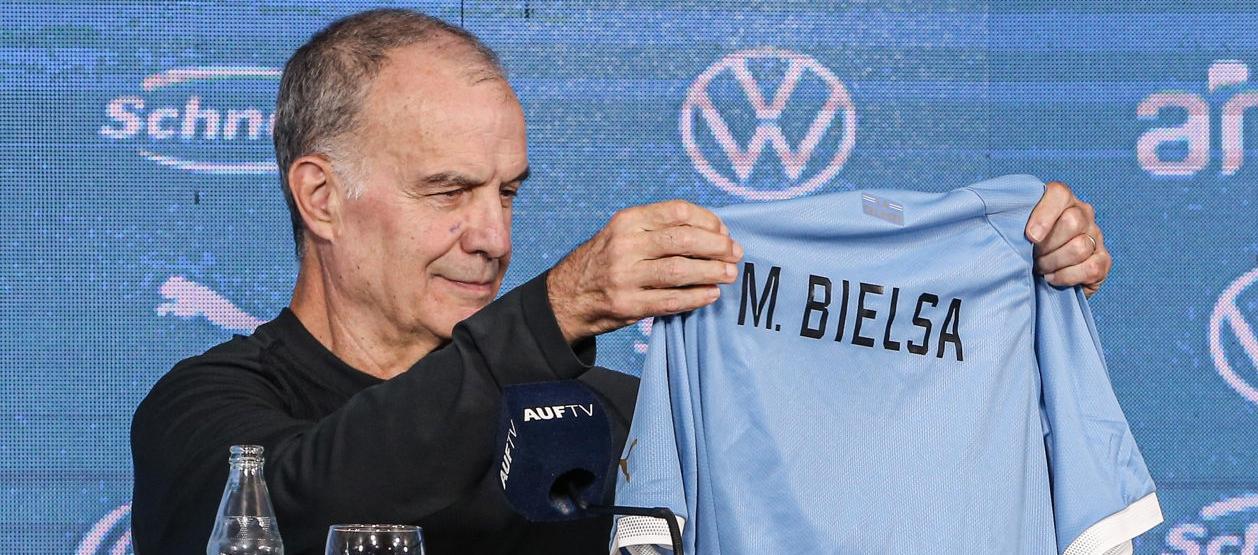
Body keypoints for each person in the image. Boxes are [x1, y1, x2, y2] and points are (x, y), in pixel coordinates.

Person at [129, 8, 1115, 555]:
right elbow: (296, 515)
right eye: (448, 191)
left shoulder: (621, 421)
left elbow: (855, 489)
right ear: (321, 195)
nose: (491, 237)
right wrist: (553, 311)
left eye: (509, 192)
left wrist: (1005, 318)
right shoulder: (208, 410)